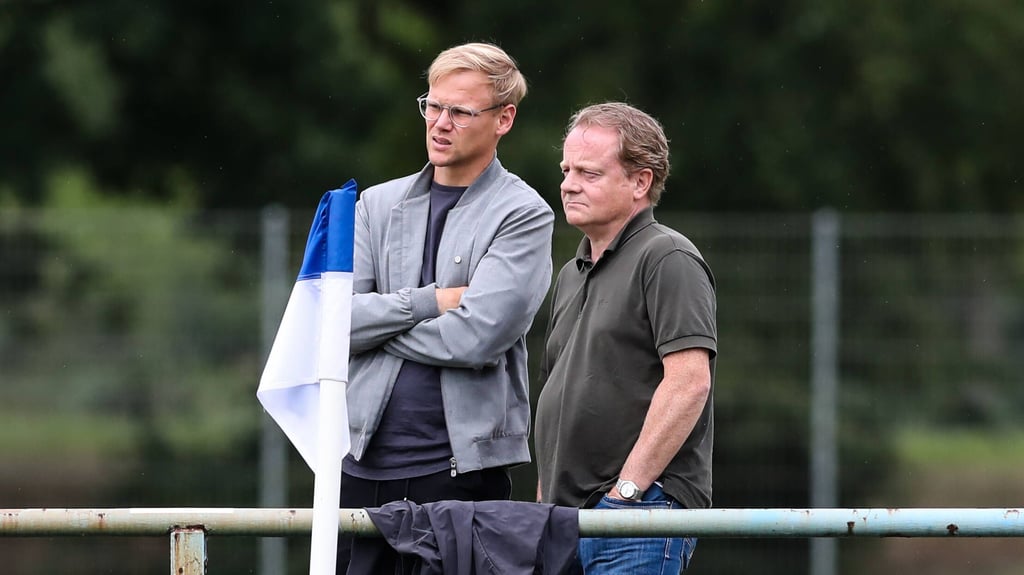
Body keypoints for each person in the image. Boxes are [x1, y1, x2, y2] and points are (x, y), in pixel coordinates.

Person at [339, 42, 554, 573]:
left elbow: (476, 337)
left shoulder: (525, 213)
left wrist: (379, 321)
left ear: (504, 119)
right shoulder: (375, 204)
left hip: (463, 472)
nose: (440, 123)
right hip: (359, 463)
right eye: (432, 106)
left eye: (460, 111)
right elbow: (333, 324)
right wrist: (431, 301)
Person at [535, 102, 716, 574]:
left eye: (589, 173)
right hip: (564, 522)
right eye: (567, 169)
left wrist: (628, 493)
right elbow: (558, 400)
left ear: (640, 182)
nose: (569, 184)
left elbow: (690, 382)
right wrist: (543, 509)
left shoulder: (668, 255)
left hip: (637, 517)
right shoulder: (571, 274)